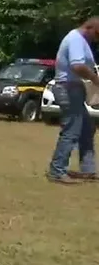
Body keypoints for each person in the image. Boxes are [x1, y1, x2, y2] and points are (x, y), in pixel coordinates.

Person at [47, 18, 99, 184]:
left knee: (86, 128)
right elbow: (77, 66)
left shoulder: (79, 39)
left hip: (72, 88)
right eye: (97, 34)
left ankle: (88, 169)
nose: (97, 38)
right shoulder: (76, 39)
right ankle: (57, 170)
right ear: (89, 27)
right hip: (69, 89)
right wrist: (95, 79)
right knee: (72, 130)